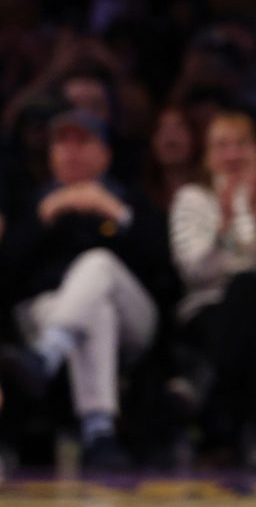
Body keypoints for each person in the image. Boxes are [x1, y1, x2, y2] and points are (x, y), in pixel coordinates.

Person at [0, 109, 174, 470]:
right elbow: (8, 275)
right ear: (50, 155)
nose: (71, 151)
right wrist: (42, 218)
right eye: (62, 142)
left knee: (98, 264)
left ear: (104, 154)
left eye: (83, 141)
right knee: (95, 312)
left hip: (134, 320)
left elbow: (166, 267)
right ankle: (99, 432)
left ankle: (46, 355)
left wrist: (115, 212)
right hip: (46, 311)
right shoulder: (32, 203)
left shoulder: (130, 199)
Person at [168, 110, 256, 468]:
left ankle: (212, 403)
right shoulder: (192, 199)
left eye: (242, 144)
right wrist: (224, 227)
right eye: (221, 146)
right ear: (206, 156)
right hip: (208, 308)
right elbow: (194, 270)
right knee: (243, 298)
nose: (232, 155)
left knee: (249, 291)